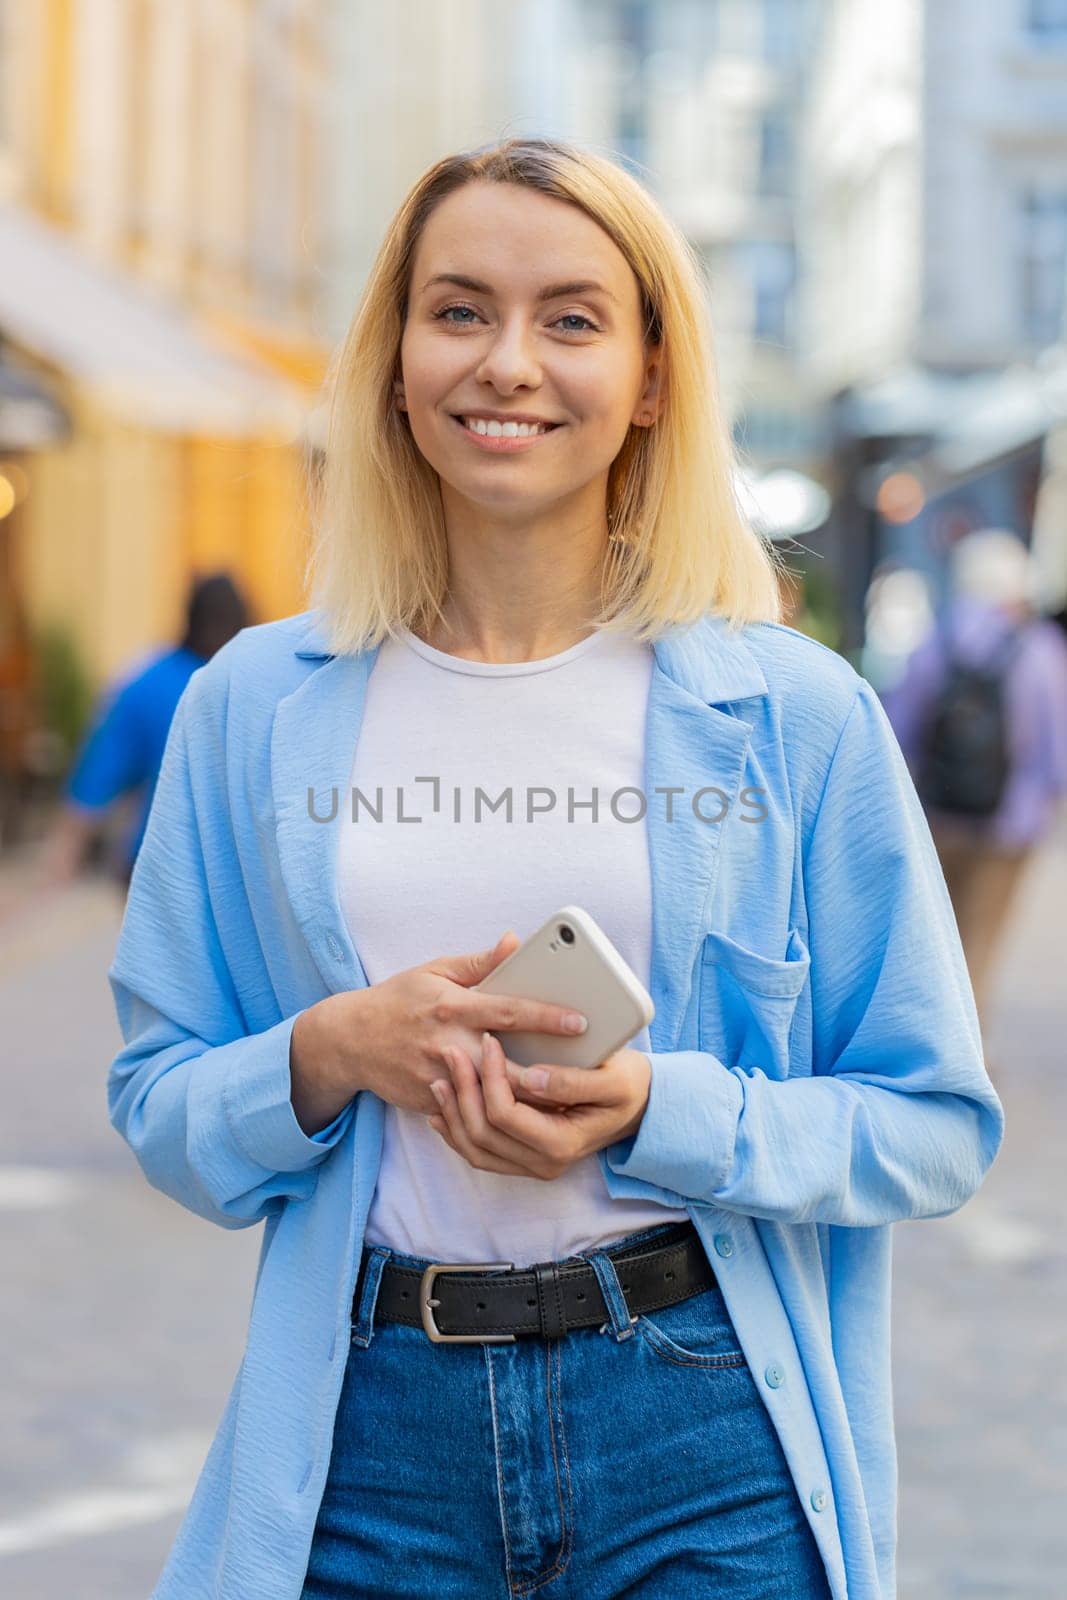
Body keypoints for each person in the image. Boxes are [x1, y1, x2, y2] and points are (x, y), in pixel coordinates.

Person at [106, 138, 1004, 1600]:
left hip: (700, 1431)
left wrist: (660, 1109)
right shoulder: (253, 706)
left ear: (650, 375)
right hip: (365, 1432)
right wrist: (330, 1051)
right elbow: (159, 1105)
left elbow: (931, 1128)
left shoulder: (794, 715)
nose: (506, 363)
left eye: (571, 319)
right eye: (457, 311)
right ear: (395, 359)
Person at [882, 529, 1067, 1056]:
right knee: (980, 940)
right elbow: (1057, 744)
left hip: (938, 815)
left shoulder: (935, 641)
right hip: (1011, 825)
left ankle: (925, 1044)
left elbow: (897, 729)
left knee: (934, 938)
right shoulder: (1039, 648)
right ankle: (963, 1056)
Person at [38, 572, 249, 891]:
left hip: (156, 865)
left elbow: (100, 768)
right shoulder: (254, 681)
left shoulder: (152, 680)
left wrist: (66, 848)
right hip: (237, 869)